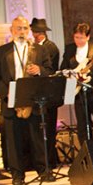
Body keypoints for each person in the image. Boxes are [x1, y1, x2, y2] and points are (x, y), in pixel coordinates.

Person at [0, 15, 54, 185]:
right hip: (11, 101)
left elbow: (49, 71)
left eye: (25, 28)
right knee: (13, 140)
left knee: (38, 139)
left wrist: (39, 70)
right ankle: (18, 176)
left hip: (34, 100)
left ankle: (43, 171)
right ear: (11, 30)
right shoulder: (1, 51)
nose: (22, 31)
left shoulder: (40, 50)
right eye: (19, 28)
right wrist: (6, 93)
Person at [60, 22, 93, 144]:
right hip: (79, 95)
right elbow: (63, 68)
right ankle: (88, 155)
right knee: (83, 127)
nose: (78, 40)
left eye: (82, 38)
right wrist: (71, 75)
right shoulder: (69, 49)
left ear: (88, 37)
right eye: (76, 37)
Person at [30, 17, 60, 170]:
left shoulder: (50, 47)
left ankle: (51, 161)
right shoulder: (34, 47)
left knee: (48, 129)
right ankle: (43, 162)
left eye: (35, 32)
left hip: (49, 93)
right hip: (39, 93)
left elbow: (50, 71)